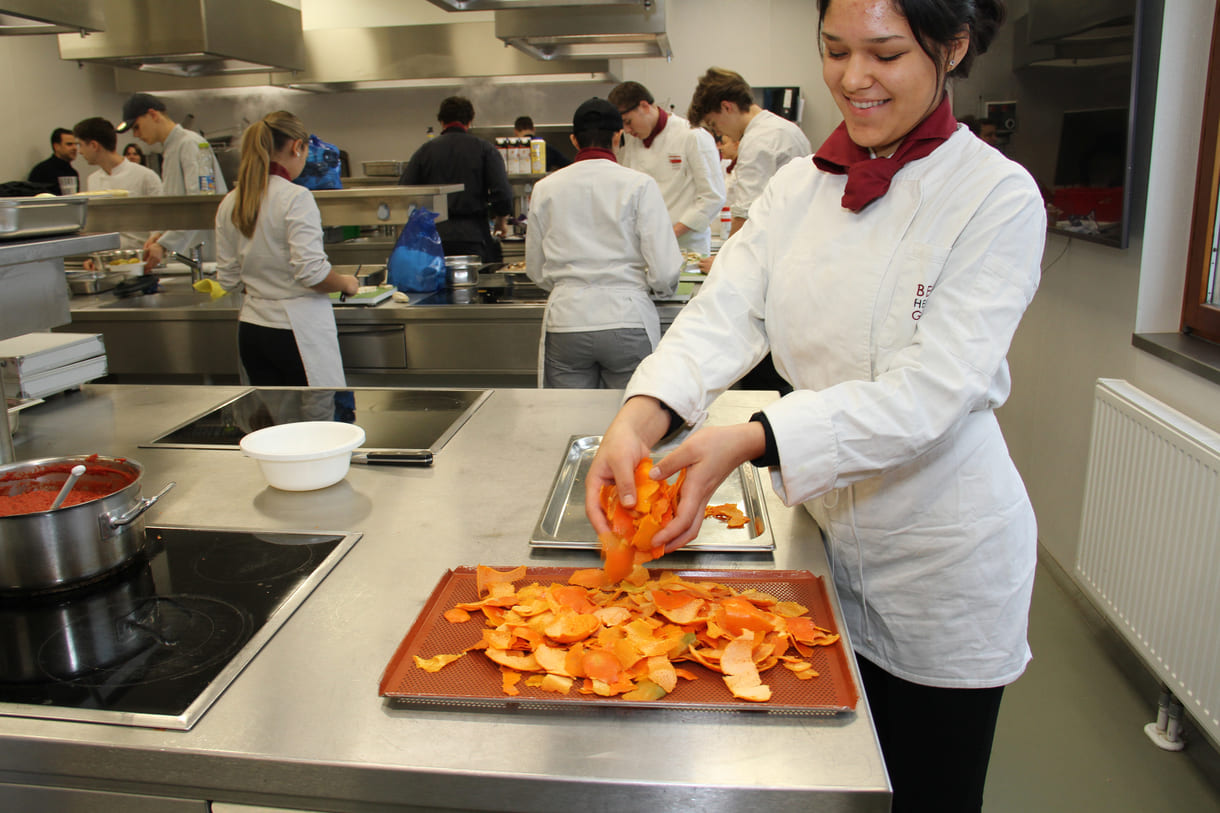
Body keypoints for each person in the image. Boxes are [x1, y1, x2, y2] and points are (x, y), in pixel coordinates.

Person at [585, 2, 1041, 812]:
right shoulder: (797, 188)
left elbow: (929, 393)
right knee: (835, 789)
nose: (853, 78)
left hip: (942, 558)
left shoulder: (997, 197)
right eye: (835, 50)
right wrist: (639, 417)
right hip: (826, 540)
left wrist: (752, 438)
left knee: (929, 790)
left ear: (954, 46)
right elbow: (726, 311)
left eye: (886, 53)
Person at [525, 98, 682, 389]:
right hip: (627, 318)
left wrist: (569, 288)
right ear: (618, 136)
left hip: (567, 321)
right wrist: (655, 289)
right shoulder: (639, 185)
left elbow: (535, 268)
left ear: (574, 140)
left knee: (568, 421)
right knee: (629, 422)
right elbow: (665, 269)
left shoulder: (545, 188)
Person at [213, 111, 358, 392]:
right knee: (311, 427)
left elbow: (228, 280)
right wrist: (346, 283)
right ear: (296, 146)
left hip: (253, 331)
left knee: (271, 427)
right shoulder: (295, 197)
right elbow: (312, 273)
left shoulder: (231, 201)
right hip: (296, 334)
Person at [687, 67, 812, 243]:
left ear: (726, 107)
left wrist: (724, 259)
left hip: (780, 241)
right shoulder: (784, 128)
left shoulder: (757, 141)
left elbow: (746, 216)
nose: (718, 131)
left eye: (713, 124)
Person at [607, 81, 726, 256]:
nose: (627, 129)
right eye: (622, 125)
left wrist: (671, 233)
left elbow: (712, 197)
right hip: (641, 247)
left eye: (628, 121)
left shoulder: (692, 135)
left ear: (645, 106)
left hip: (686, 248)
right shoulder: (629, 142)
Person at [116, 92, 228, 273]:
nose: (136, 135)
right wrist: (159, 234)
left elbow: (199, 205)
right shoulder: (171, 149)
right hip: (188, 255)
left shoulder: (190, 144)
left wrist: (163, 244)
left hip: (204, 258)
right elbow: (176, 205)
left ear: (153, 115)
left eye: (137, 127)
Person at [399, 96, 513, 263]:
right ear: (470, 121)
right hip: (473, 237)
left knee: (436, 287)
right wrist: (500, 221)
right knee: (476, 286)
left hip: (433, 238)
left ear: (441, 121)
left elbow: (404, 192)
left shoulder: (425, 151)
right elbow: (502, 192)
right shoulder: (484, 149)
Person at [73, 117, 163, 251]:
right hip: (107, 256)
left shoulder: (145, 176)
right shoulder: (93, 179)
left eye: (80, 145)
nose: (79, 151)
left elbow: (161, 220)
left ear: (94, 145)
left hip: (140, 256)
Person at [26, 128, 79, 193]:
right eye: (69, 144)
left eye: (76, 144)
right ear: (56, 146)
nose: (75, 148)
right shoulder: (41, 171)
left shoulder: (73, 172)